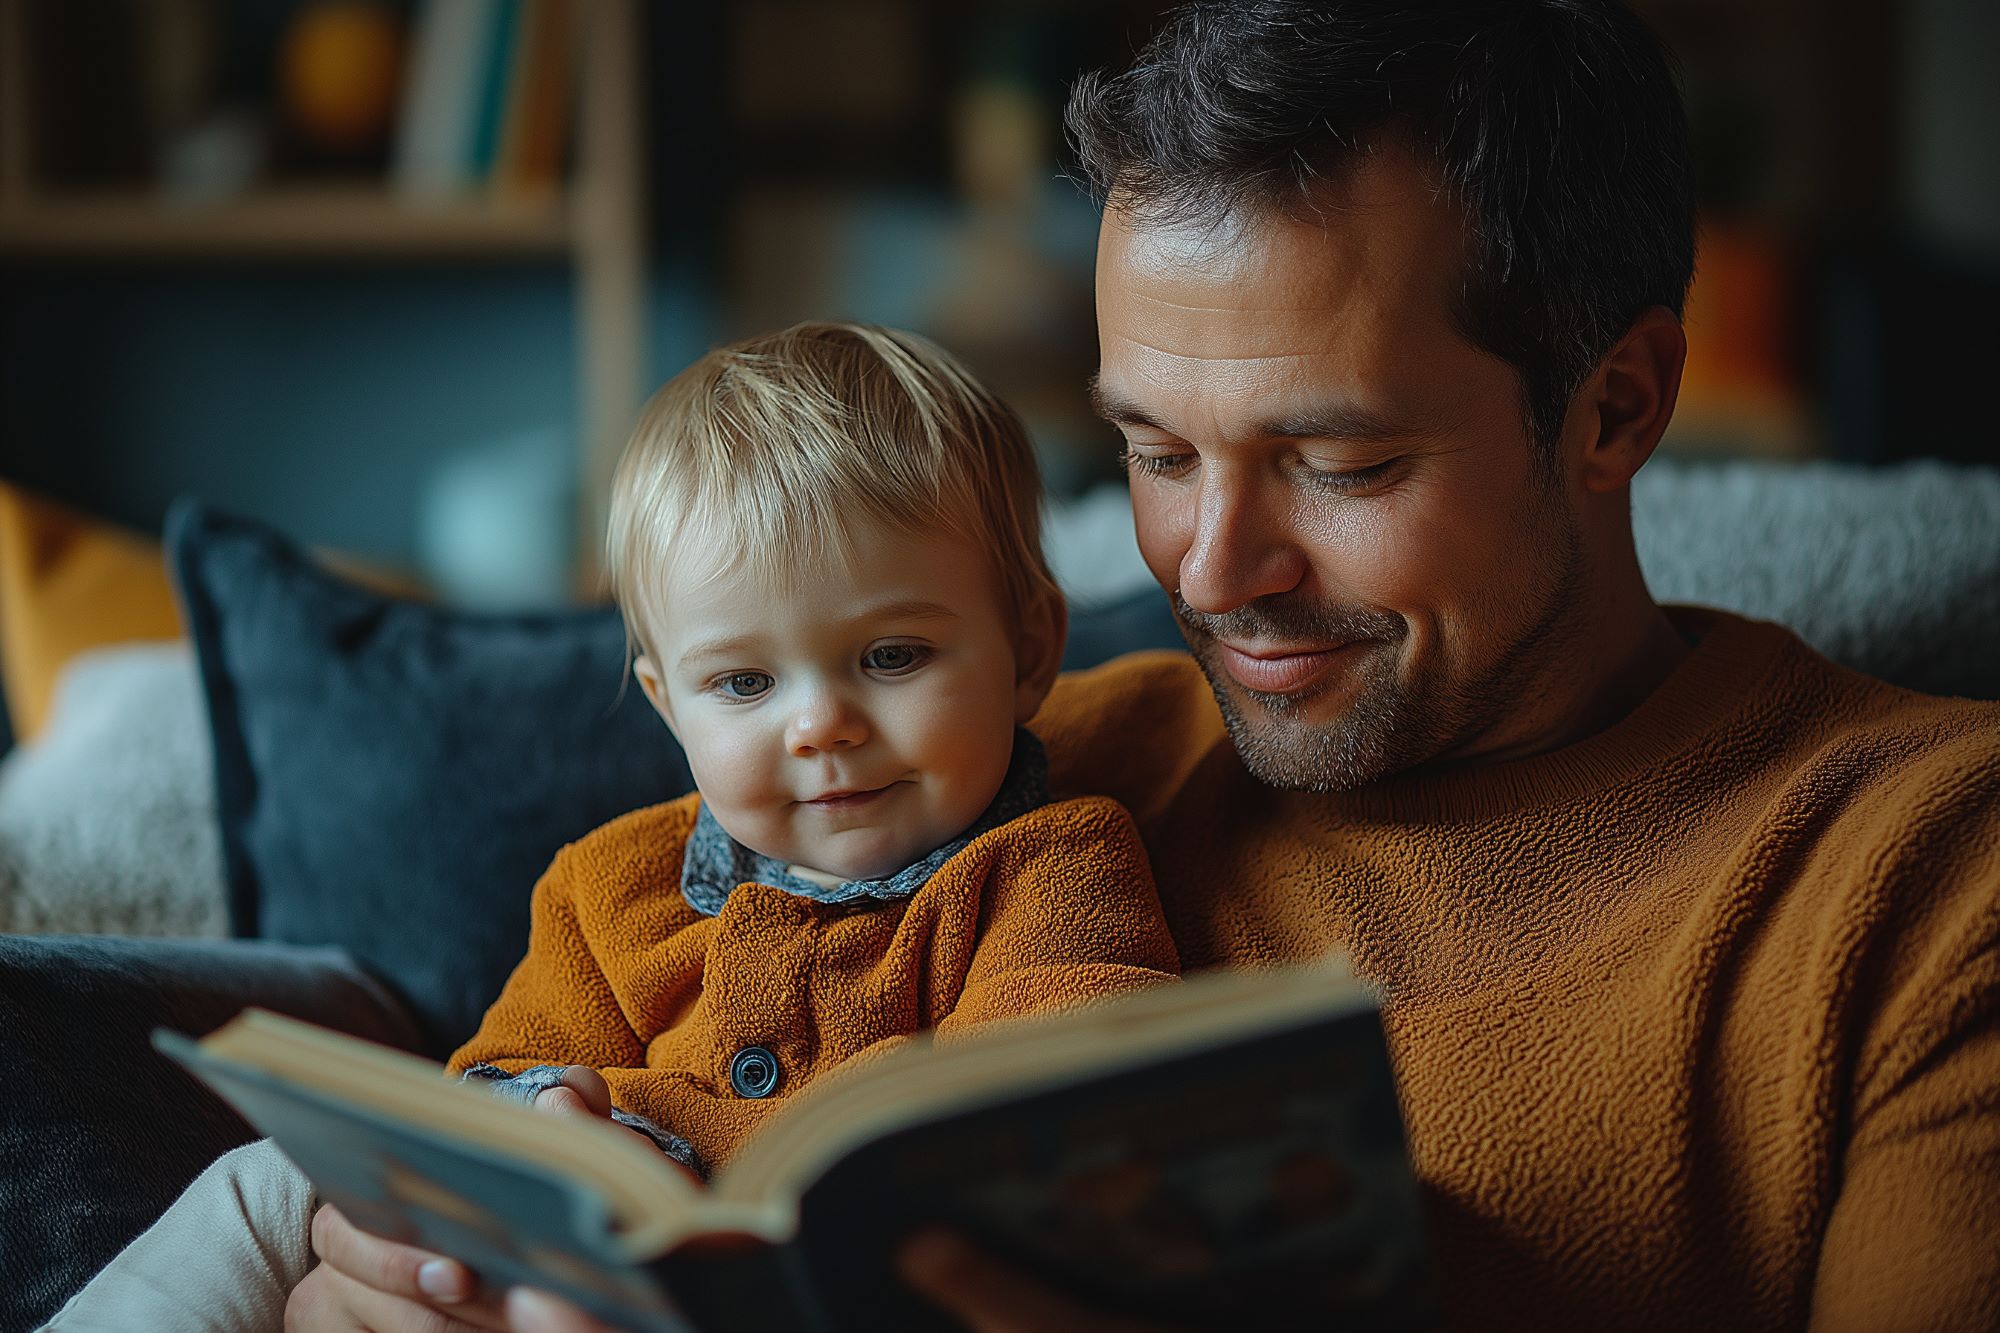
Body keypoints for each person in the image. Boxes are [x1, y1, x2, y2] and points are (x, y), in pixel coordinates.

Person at [294, 1, 2000, 1329]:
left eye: (1339, 465)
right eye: (1158, 455)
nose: (1208, 570)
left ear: (1617, 405)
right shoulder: (1009, 764)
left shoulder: (1927, 875)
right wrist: (372, 1283)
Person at [43, 321, 1179, 1332]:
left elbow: (1048, 1111)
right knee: (274, 1175)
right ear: (664, 702)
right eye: (742, 684)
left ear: (1029, 652)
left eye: (890, 656)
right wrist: (554, 1120)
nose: (820, 725)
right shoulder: (611, 882)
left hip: (859, 1279)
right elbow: (499, 1064)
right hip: (600, 1258)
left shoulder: (1055, 862)